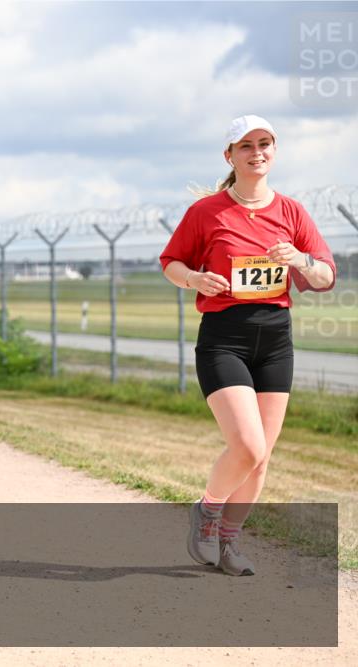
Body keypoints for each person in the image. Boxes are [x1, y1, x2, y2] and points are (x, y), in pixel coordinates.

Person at [160, 115, 336, 576]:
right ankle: (208, 509)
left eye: (265, 144)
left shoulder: (293, 212)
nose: (257, 152)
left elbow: (325, 276)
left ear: (273, 152)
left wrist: (300, 259)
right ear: (230, 156)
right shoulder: (207, 212)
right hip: (225, 339)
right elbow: (171, 263)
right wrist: (195, 278)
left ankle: (229, 544)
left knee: (261, 459)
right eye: (246, 146)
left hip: (275, 339)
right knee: (248, 446)